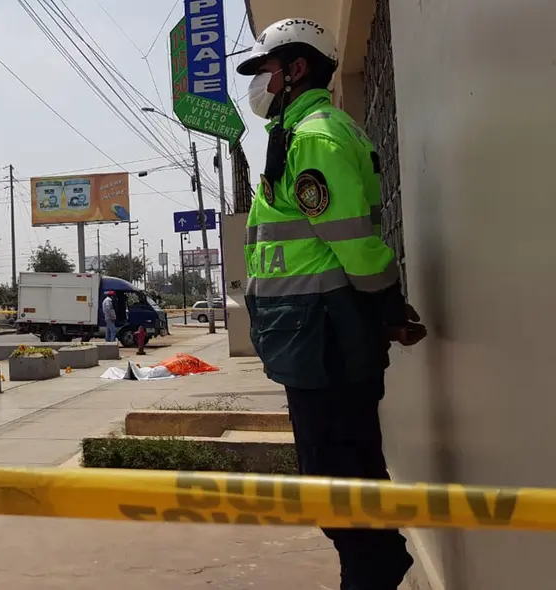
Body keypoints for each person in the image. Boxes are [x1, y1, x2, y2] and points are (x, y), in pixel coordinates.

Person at [237, 19, 428, 590]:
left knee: (337, 474)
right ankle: (370, 565)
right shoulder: (295, 133)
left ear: (295, 70)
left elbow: (354, 243)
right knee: (340, 472)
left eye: (264, 71)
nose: (257, 85)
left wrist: (388, 309)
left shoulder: (315, 136)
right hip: (312, 338)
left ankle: (375, 568)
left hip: (327, 339)